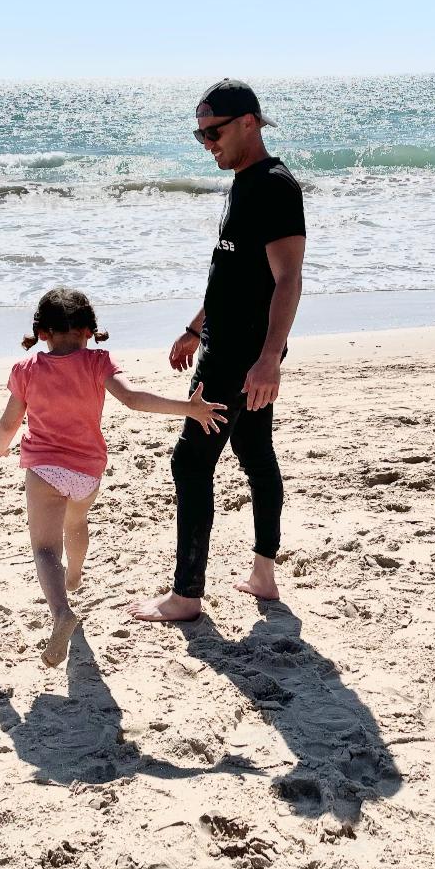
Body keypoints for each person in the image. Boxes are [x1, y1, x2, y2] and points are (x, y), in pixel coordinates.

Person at [131, 80, 306, 624]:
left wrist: (268, 358)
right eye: (200, 135)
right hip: (227, 344)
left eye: (214, 132)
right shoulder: (243, 182)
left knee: (190, 461)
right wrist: (194, 327)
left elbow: (288, 278)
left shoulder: (274, 187)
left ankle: (186, 596)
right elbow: (232, 274)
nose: (207, 143)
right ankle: (263, 575)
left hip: (238, 354)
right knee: (254, 451)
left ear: (249, 122)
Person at [0, 287, 226, 664]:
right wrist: (187, 408)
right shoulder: (98, 362)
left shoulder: (26, 370)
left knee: (45, 549)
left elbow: (10, 422)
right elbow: (134, 399)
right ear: (88, 331)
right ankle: (75, 575)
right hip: (87, 471)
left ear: (42, 332)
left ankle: (61, 612)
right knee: (76, 523)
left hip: (44, 469)